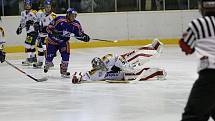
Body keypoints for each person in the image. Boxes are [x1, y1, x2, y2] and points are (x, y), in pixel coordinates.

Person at [179, 0, 215, 121]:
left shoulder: (198, 23)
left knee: (192, 116)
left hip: (210, 75)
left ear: (202, 8)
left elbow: (186, 47)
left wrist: (185, 39)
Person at [72, 39, 166, 84]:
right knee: (139, 74)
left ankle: (154, 47)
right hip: (122, 75)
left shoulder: (107, 59)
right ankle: (159, 72)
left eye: (100, 63)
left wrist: (124, 65)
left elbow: (117, 57)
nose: (101, 66)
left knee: (136, 55)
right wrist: (77, 77)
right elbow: (83, 76)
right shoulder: (95, 73)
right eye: (98, 66)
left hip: (123, 62)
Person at [44, 8, 90, 78]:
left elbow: (79, 34)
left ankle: (63, 71)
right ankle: (48, 63)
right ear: (68, 14)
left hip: (63, 42)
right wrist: (54, 32)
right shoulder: (59, 19)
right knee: (49, 59)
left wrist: (84, 37)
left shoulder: (76, 24)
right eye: (72, 15)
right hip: (52, 41)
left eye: (75, 16)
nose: (73, 17)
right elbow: (48, 28)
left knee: (66, 56)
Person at [33, 0, 57, 68]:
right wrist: (36, 25)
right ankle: (40, 62)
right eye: (46, 7)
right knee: (40, 48)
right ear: (44, 7)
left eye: (49, 7)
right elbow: (36, 22)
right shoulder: (40, 14)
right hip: (40, 35)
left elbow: (55, 26)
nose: (48, 8)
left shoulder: (53, 15)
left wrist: (48, 29)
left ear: (51, 7)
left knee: (45, 48)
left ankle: (49, 62)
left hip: (48, 36)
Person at [16, 0, 39, 66]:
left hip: (34, 31)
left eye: (28, 5)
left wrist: (33, 23)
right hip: (29, 31)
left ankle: (29, 59)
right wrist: (19, 28)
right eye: (26, 4)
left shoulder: (34, 12)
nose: (27, 6)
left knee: (27, 45)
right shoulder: (23, 13)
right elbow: (23, 22)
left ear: (31, 5)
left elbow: (38, 21)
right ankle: (33, 58)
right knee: (31, 45)